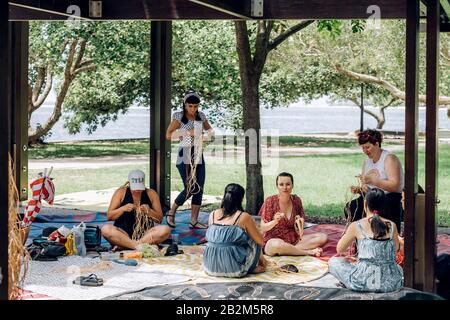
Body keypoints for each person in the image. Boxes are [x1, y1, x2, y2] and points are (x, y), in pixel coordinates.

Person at [329, 188, 403, 292]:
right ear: (384, 205)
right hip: (391, 283)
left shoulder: (356, 225)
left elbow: (340, 249)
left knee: (334, 262)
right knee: (399, 268)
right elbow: (395, 250)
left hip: (362, 283)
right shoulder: (392, 226)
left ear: (365, 204)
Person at [165, 91, 214, 229]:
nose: (193, 109)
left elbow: (211, 131)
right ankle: (171, 212)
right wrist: (187, 133)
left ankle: (194, 220)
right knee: (191, 188)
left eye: (195, 106)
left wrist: (207, 135)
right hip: (184, 152)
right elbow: (168, 135)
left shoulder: (201, 116)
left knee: (199, 188)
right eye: (190, 106)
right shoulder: (178, 116)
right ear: (185, 105)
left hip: (198, 153)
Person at [203, 183, 268, 277]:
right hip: (235, 270)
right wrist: (255, 227)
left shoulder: (212, 214)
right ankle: (253, 266)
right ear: (241, 199)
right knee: (255, 238)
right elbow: (260, 241)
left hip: (209, 267)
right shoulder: (243, 217)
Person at [345, 129, 404, 232]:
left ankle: (384, 238)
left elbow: (395, 186)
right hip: (372, 196)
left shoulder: (389, 159)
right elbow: (366, 188)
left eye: (367, 147)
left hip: (389, 196)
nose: (365, 151)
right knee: (351, 207)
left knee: (378, 210)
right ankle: (361, 237)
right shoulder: (367, 162)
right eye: (363, 148)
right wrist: (359, 189)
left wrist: (374, 181)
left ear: (377, 144)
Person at [259, 172, 327, 256]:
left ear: (292, 185)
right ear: (277, 186)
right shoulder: (270, 201)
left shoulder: (296, 200)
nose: (285, 187)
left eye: (288, 184)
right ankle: (307, 252)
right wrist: (274, 221)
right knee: (276, 245)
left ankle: (289, 249)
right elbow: (263, 228)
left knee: (323, 237)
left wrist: (300, 223)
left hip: (293, 240)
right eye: (281, 184)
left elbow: (300, 232)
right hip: (273, 241)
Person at [101, 169, 171, 250]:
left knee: (165, 230)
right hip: (123, 234)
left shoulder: (151, 193)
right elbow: (110, 216)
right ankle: (139, 246)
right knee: (106, 229)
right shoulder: (120, 192)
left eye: (140, 188)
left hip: (146, 235)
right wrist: (123, 209)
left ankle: (126, 245)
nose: (137, 191)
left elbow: (159, 219)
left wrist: (149, 211)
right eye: (134, 189)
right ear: (129, 183)